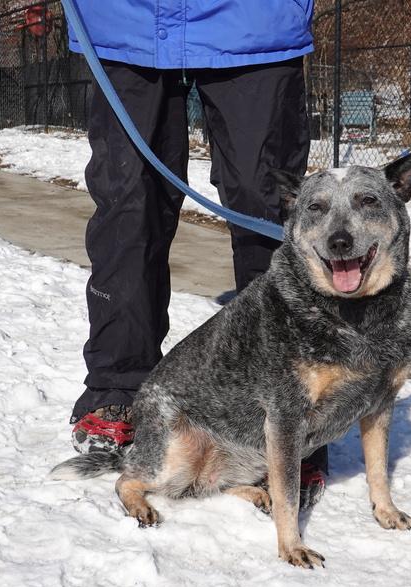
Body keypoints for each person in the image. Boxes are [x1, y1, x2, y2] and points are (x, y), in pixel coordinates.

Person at [67, 1, 329, 506]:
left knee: (270, 209)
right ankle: (118, 388)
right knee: (128, 208)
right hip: (123, 18)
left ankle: (291, 409)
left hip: (255, 19)